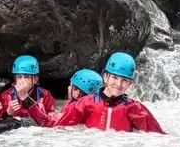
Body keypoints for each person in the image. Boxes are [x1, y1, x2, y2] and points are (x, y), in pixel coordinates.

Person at [21, 52, 165, 133]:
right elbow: (53, 124)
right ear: (105, 77)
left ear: (130, 84)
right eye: (115, 78)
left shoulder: (135, 109)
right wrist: (25, 98)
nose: (118, 84)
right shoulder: (85, 103)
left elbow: (159, 138)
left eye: (124, 80)